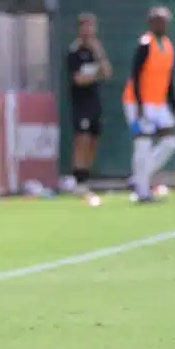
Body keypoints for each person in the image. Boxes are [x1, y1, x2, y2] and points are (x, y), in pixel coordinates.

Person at [123, 6, 175, 203]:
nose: (163, 25)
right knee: (143, 144)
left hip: (160, 104)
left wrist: (173, 107)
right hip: (139, 102)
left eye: (165, 21)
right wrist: (138, 106)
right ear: (151, 23)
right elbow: (135, 76)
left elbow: (169, 81)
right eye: (159, 21)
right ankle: (142, 192)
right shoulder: (145, 44)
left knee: (171, 142)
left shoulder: (168, 46)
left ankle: (139, 177)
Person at [66, 13, 111, 206]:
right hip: (81, 102)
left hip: (95, 101)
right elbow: (78, 79)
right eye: (85, 27)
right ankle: (78, 179)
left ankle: (86, 177)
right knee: (82, 139)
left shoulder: (96, 50)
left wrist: (99, 54)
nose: (88, 31)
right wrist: (95, 76)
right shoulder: (75, 51)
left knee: (94, 139)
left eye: (91, 27)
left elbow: (107, 73)